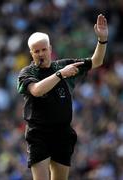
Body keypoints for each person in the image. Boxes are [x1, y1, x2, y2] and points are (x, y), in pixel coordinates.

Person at [17, 14, 108, 180]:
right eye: (36, 51)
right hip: (39, 134)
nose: (41, 54)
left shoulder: (63, 65)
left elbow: (96, 61)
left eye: (44, 49)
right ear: (32, 53)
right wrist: (60, 75)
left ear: (50, 49)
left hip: (62, 133)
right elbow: (37, 90)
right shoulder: (27, 73)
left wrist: (102, 40)